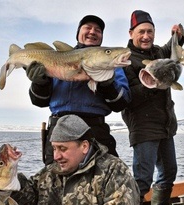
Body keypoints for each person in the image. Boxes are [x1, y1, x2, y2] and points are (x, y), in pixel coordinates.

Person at [11, 114, 140, 205]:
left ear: (84, 146)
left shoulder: (114, 170)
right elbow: (27, 203)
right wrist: (8, 178)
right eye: (54, 149)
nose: (56, 156)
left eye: (62, 148)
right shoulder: (49, 173)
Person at [27, 15, 130, 165]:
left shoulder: (113, 67)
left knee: (103, 183)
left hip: (95, 130)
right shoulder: (57, 59)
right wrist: (39, 82)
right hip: (59, 128)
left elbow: (121, 103)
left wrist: (107, 84)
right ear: (78, 33)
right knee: (58, 185)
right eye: (87, 27)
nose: (92, 32)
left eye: (98, 30)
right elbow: (39, 101)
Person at [122, 10, 184, 205]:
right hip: (143, 127)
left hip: (166, 125)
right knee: (142, 179)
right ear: (131, 33)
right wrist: (152, 83)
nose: (146, 36)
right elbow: (128, 98)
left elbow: (171, 47)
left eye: (150, 31)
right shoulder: (125, 60)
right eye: (141, 32)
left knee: (169, 173)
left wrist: (178, 36)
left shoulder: (158, 52)